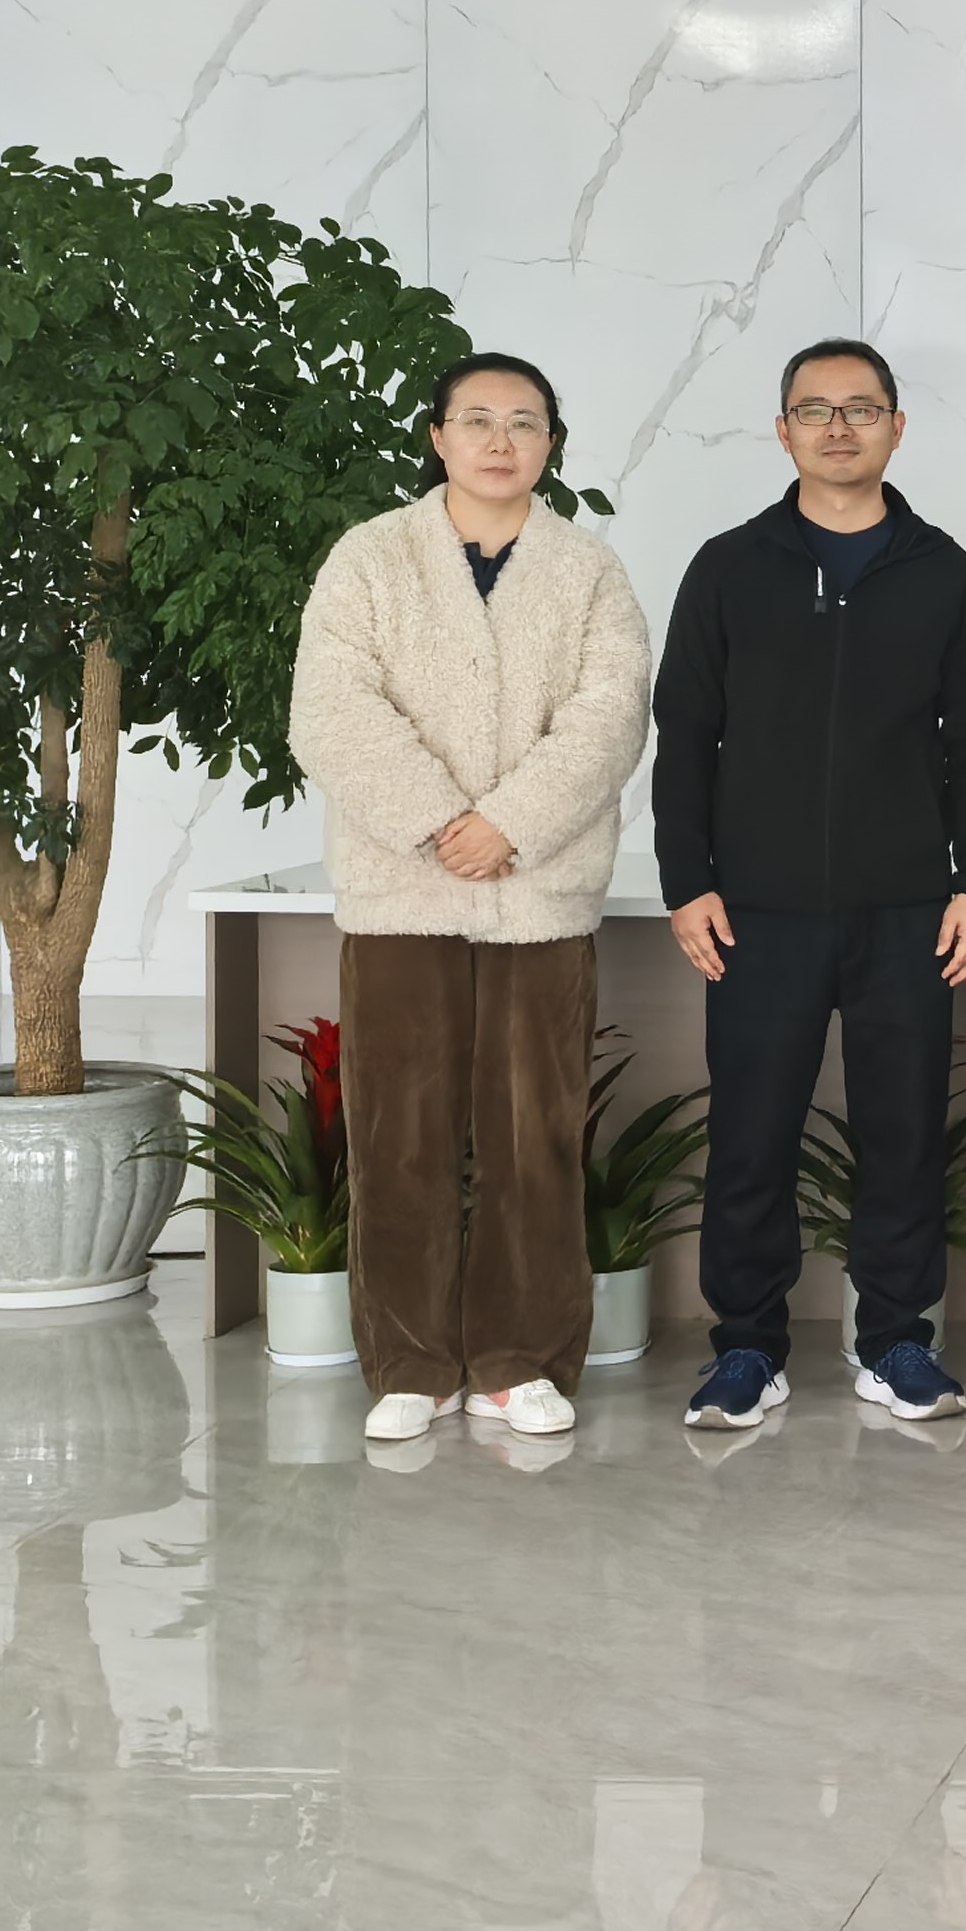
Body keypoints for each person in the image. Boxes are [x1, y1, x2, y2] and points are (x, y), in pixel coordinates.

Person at [289, 354, 653, 1446]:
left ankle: (520, 1358)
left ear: (551, 445)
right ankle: (410, 1363)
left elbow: (611, 715)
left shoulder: (588, 571)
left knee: (534, 1133)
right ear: (438, 437)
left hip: (540, 895)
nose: (501, 440)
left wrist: (513, 825)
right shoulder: (370, 558)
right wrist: (443, 822)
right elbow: (330, 710)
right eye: (478, 420)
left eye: (525, 423)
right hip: (401, 894)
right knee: (397, 1132)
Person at [655, 339, 966, 1434]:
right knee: (751, 1134)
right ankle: (747, 1349)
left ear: (898, 428)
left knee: (903, 1133)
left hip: (908, 909)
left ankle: (897, 1341)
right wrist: (686, 882)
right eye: (816, 409)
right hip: (755, 911)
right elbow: (685, 734)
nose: (839, 427)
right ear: (784, 431)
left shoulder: (942, 571)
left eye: (862, 409)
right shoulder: (729, 567)